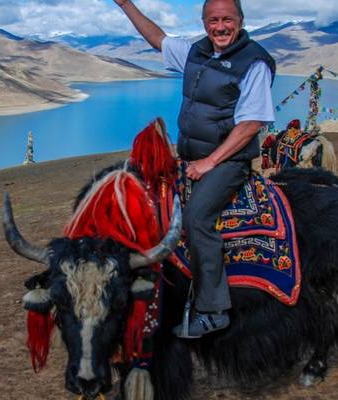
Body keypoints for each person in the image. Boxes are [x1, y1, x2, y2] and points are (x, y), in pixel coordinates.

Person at [113, 0, 275, 338]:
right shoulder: (195, 52)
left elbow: (251, 123)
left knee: (198, 218)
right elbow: (156, 38)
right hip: (190, 157)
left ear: (241, 21)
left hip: (228, 162)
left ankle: (214, 310)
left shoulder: (254, 62)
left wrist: (211, 162)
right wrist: (125, 4)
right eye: (213, 20)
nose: (220, 27)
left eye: (227, 19)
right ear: (204, 23)